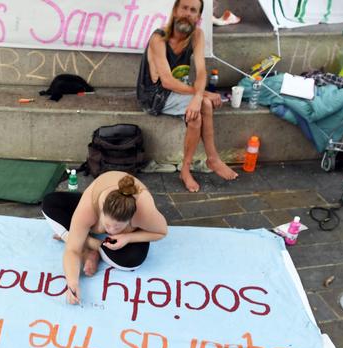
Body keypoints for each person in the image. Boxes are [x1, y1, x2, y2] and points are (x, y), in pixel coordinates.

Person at [137, 0, 238, 193]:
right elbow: (166, 81)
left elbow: (201, 72)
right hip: (153, 95)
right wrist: (202, 94)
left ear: (198, 18)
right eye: (184, 8)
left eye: (193, 10)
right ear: (175, 11)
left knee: (205, 104)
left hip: (176, 90)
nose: (188, 13)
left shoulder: (197, 35)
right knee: (197, 113)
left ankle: (212, 159)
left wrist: (199, 96)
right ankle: (187, 169)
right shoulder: (159, 38)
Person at [41, 172, 167, 305]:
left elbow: (162, 232)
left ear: (131, 219)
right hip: (95, 199)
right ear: (101, 211)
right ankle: (91, 244)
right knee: (50, 203)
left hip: (130, 225)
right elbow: (72, 250)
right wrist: (72, 283)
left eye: (118, 228)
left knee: (132, 260)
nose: (110, 232)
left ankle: (72, 236)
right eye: (107, 225)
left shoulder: (143, 212)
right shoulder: (88, 207)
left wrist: (129, 237)